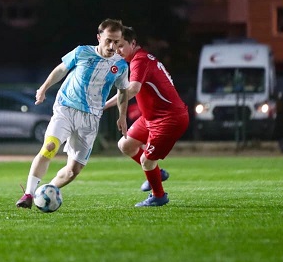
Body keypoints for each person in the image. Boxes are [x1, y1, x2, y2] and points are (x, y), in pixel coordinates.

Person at [16, 18, 130, 208]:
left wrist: (122, 115)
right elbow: (61, 69)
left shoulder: (121, 66)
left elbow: (123, 91)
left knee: (73, 170)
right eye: (108, 40)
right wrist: (43, 88)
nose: (112, 46)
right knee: (49, 147)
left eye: (116, 42)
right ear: (99, 37)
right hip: (66, 108)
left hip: (91, 118)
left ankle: (45, 192)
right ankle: (28, 194)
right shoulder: (82, 52)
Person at [104, 26, 189, 206]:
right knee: (125, 145)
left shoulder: (139, 61)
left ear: (133, 43)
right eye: (114, 45)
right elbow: (128, 89)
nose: (116, 50)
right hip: (152, 117)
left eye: (120, 45)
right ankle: (156, 173)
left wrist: (106, 106)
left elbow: (133, 89)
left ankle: (159, 196)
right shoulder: (139, 59)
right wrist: (104, 105)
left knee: (146, 161)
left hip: (168, 119)